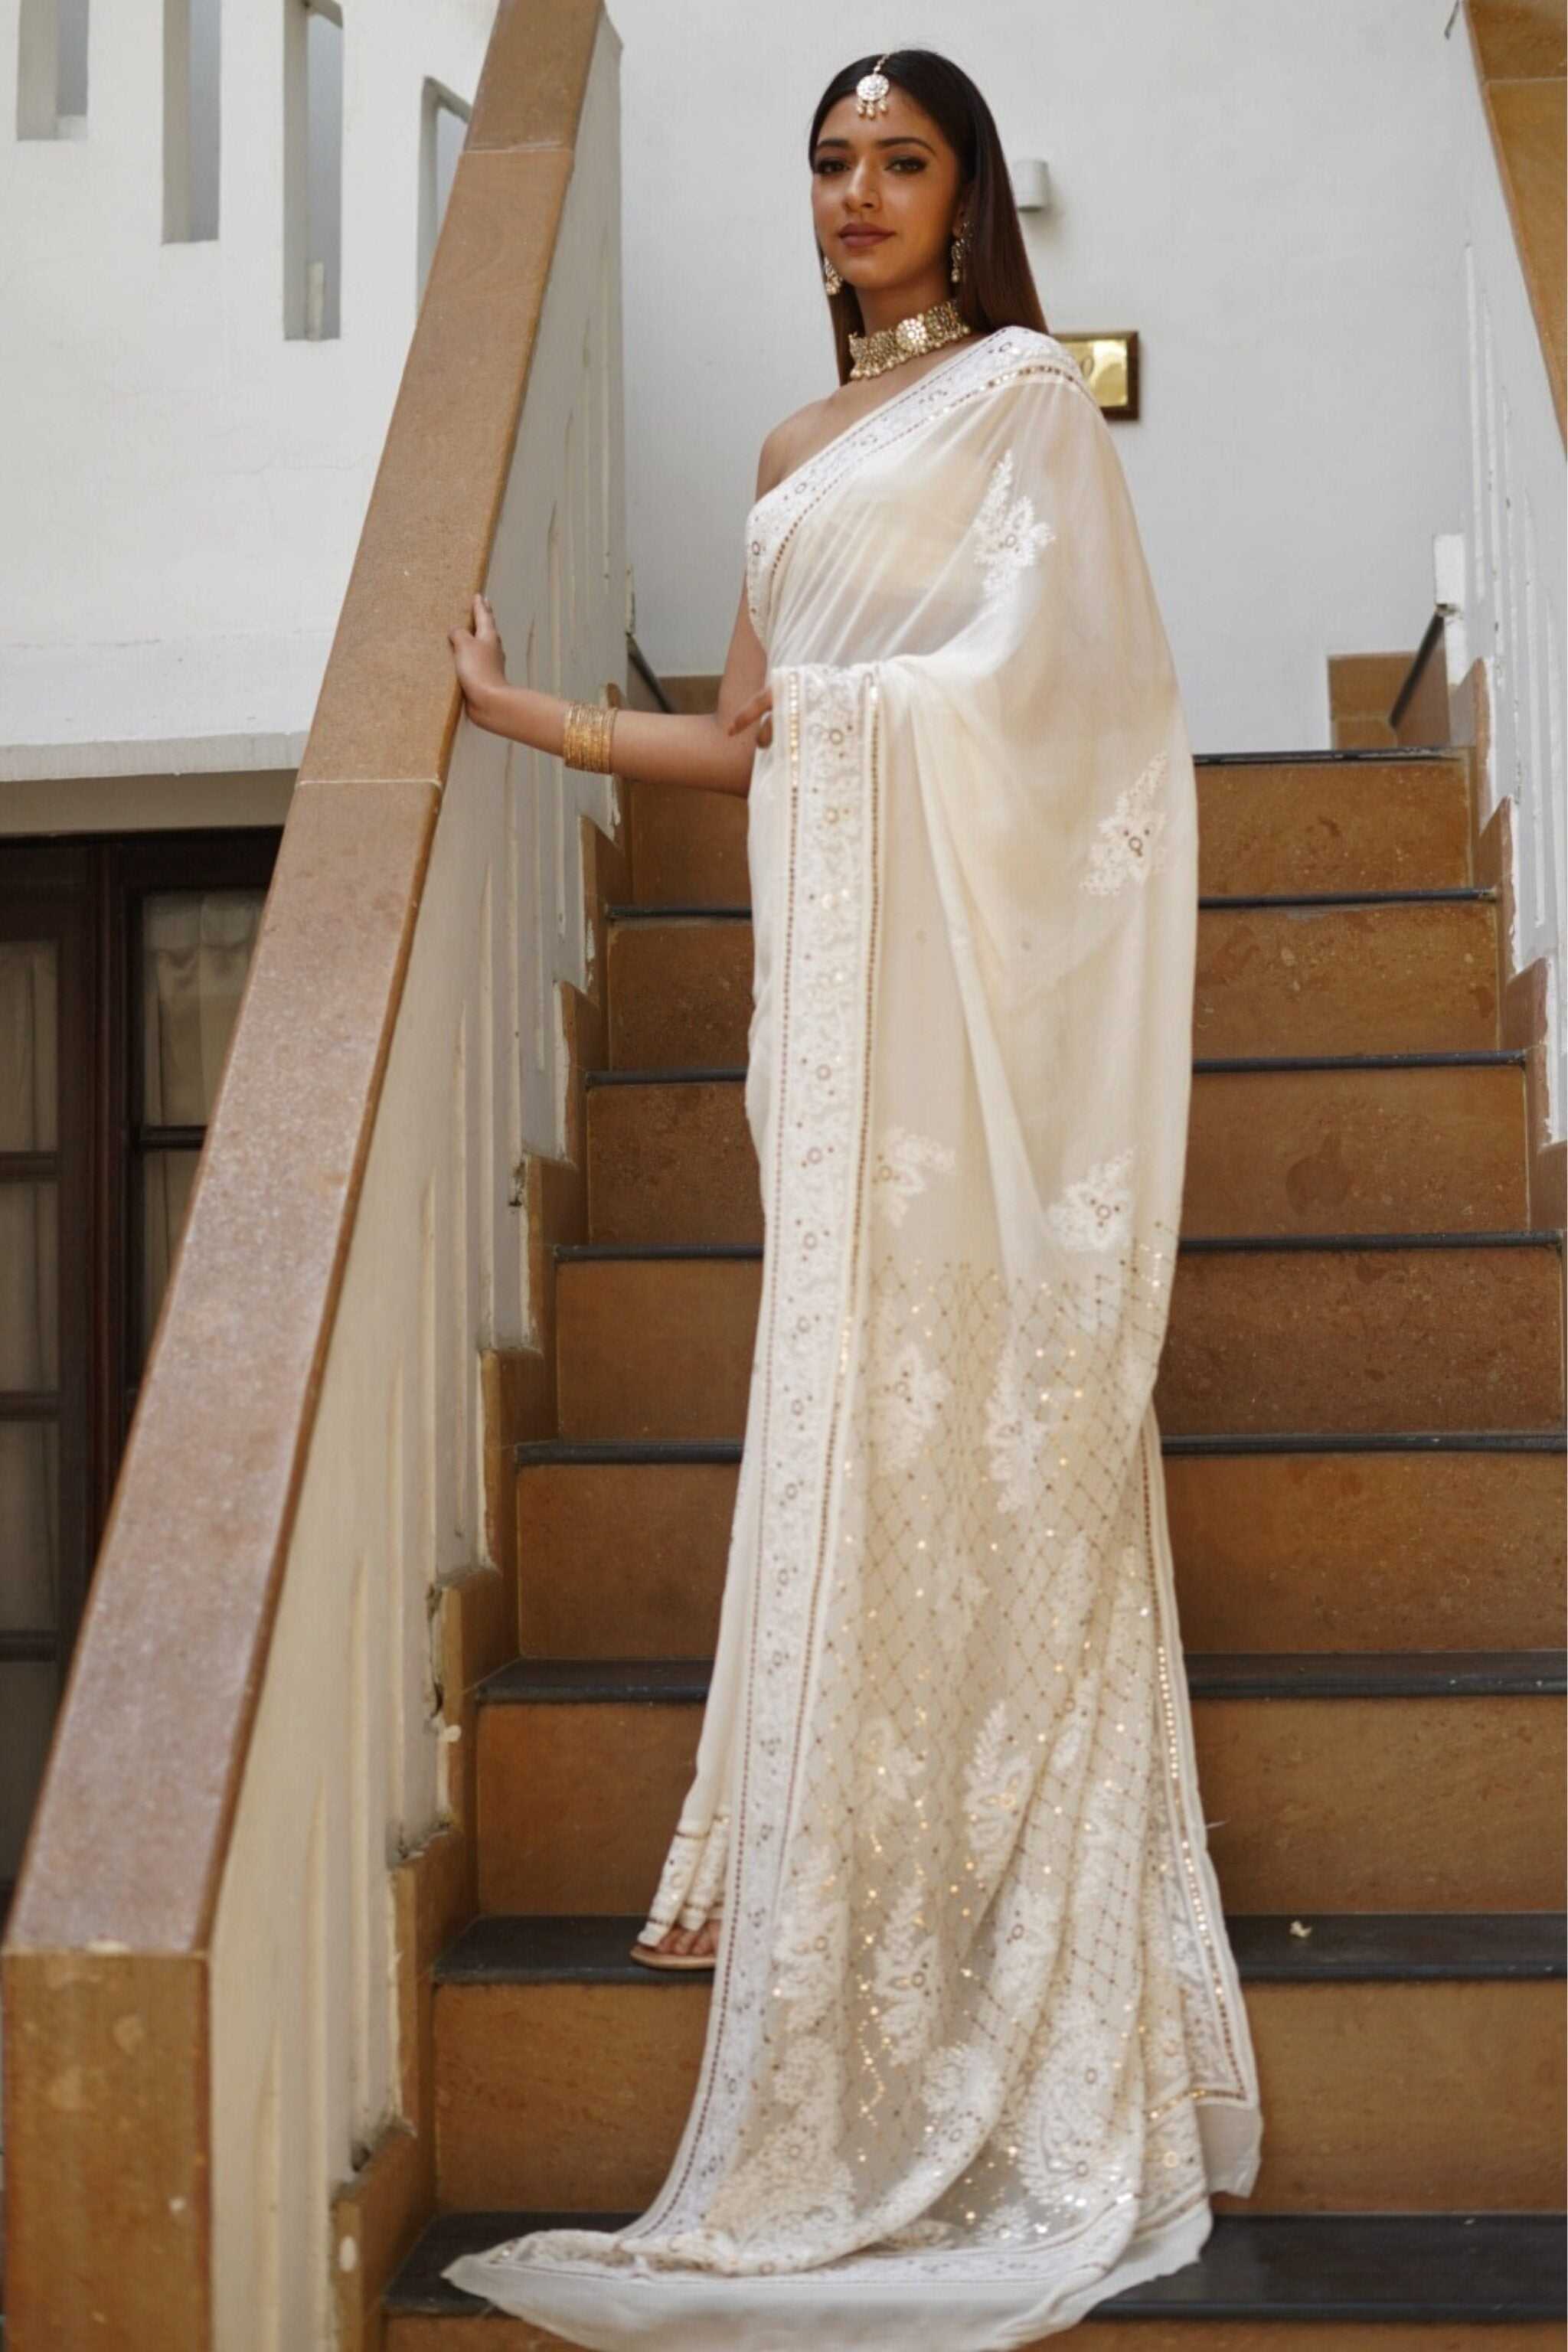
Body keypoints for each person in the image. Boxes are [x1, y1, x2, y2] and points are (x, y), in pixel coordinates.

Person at [443, 44, 1262, 2349]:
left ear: (974, 195)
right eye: (830, 162)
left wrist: (879, 732)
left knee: (981, 1432)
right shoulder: (799, 456)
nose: (857, 194)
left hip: (973, 1023)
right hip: (840, 1018)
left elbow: (1082, 718)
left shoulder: (1019, 404)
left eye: (902, 162)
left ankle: (1002, 1945)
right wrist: (532, 724)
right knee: (844, 1420)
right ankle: (826, 1878)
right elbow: (744, 733)